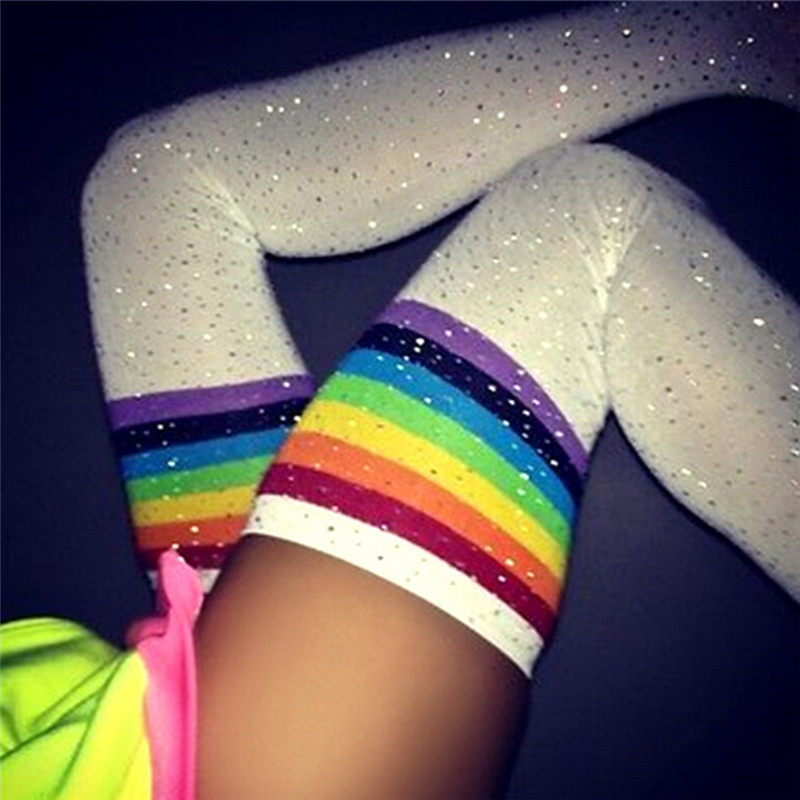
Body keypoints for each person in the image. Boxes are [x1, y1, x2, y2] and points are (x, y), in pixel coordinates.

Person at [2, 3, 798, 798]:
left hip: (158, 697)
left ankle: (748, 27)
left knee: (157, 182)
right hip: (215, 773)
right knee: (593, 220)